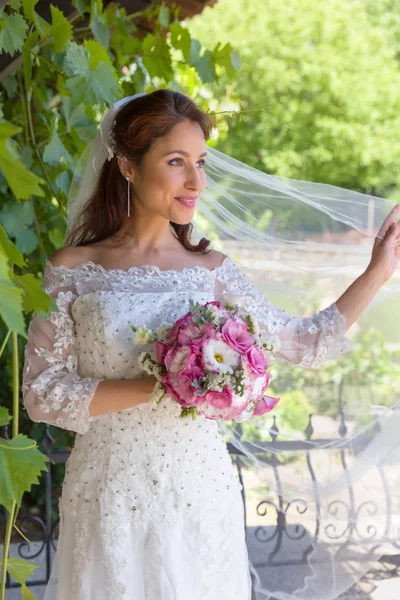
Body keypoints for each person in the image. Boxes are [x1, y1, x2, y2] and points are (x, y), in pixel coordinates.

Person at [22, 89, 400, 600]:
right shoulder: (73, 270)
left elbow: (306, 343)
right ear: (127, 166)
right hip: (107, 491)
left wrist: (377, 272)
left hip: (199, 488)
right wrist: (162, 384)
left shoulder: (213, 273)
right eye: (176, 162)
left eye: (200, 162)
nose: (196, 182)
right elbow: (43, 395)